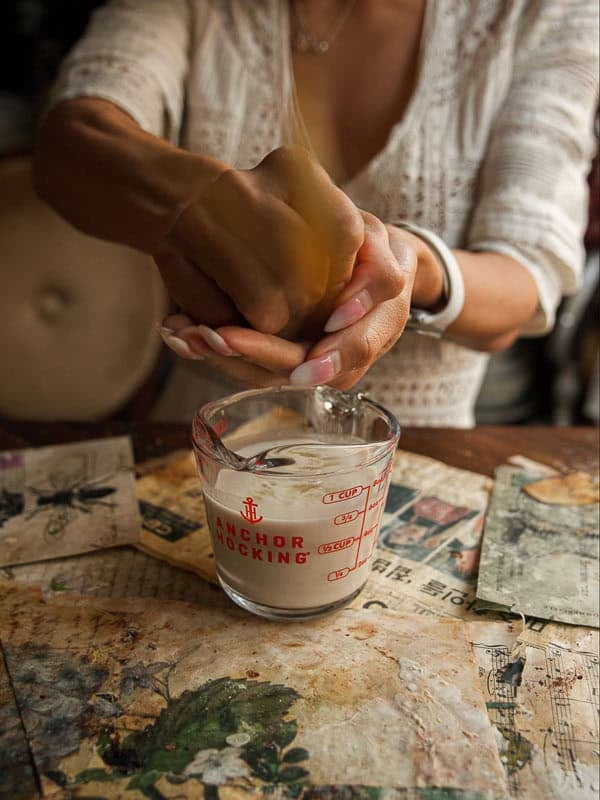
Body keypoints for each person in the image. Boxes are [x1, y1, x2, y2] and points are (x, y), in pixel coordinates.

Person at [33, 0, 599, 426]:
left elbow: (527, 277)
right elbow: (70, 142)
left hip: (418, 461)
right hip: (205, 453)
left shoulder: (544, 13)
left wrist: (408, 265)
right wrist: (197, 201)